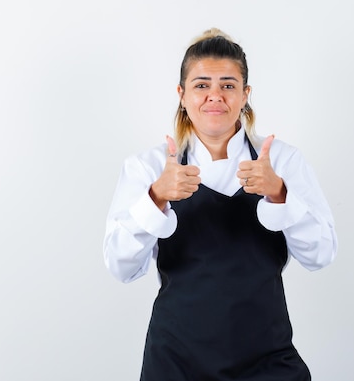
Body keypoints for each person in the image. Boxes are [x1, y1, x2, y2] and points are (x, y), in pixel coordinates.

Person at [103, 28, 338, 381]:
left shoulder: (283, 162)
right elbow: (121, 267)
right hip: (176, 361)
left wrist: (279, 192)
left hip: (267, 360)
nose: (215, 96)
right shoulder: (148, 167)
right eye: (202, 85)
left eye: (228, 85)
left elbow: (320, 255)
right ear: (182, 95)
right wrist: (156, 197)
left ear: (246, 94)